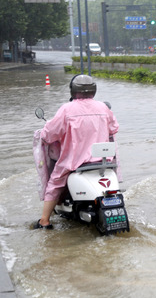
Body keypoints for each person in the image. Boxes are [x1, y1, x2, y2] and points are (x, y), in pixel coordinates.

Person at [33, 74, 119, 229]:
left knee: (55, 182)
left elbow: (49, 134)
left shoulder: (67, 109)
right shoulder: (103, 107)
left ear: (72, 90)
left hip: (74, 161)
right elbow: (114, 128)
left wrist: (45, 135)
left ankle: (44, 221)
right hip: (103, 161)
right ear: (94, 89)